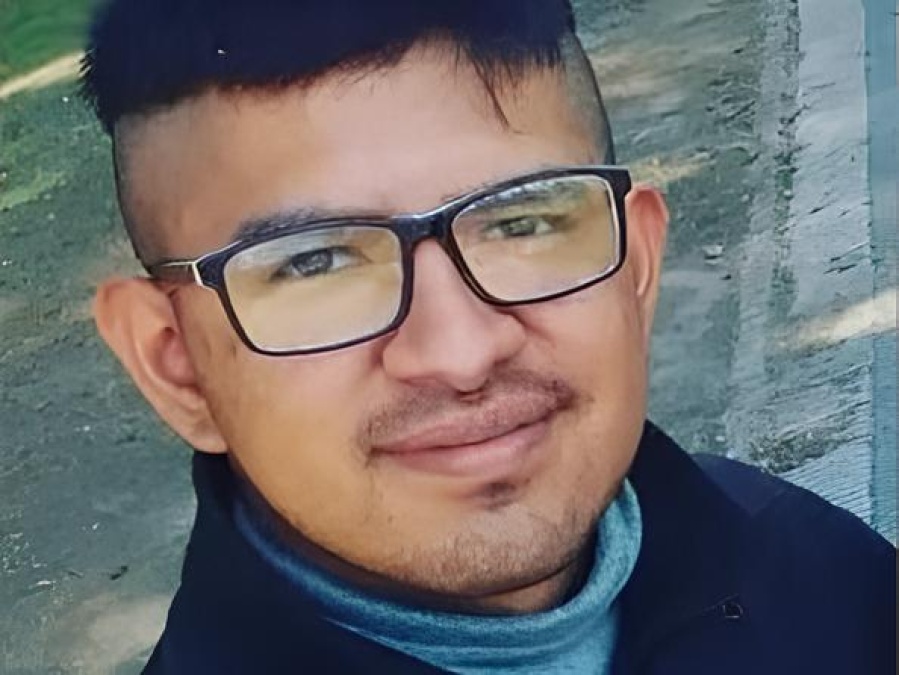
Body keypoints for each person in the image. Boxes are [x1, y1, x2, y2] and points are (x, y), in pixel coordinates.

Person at [80, 0, 895, 672]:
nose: (460, 352)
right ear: (176, 366)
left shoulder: (822, 577)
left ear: (636, 268)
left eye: (522, 221)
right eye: (315, 263)